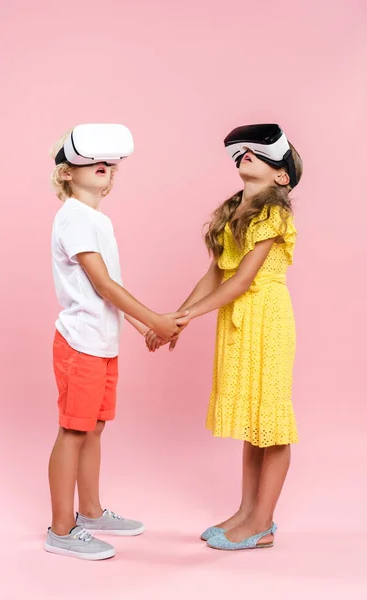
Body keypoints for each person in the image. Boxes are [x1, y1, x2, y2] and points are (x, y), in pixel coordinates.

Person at [146, 125, 303, 551]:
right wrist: (177, 318)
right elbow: (217, 273)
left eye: (258, 154)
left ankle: (263, 522)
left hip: (266, 317)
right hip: (239, 317)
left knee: (271, 422)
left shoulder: (275, 215)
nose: (245, 155)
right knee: (255, 423)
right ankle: (246, 512)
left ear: (281, 176)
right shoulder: (234, 213)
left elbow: (243, 280)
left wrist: (189, 316)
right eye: (241, 153)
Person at [45, 125, 188, 560]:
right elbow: (103, 284)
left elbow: (109, 289)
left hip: (103, 342)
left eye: (108, 164)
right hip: (81, 344)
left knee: (95, 428)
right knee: (74, 431)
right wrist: (158, 321)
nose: (101, 167)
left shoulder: (97, 220)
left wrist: (140, 326)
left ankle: (89, 512)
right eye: (90, 162)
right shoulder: (72, 216)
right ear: (67, 173)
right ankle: (61, 529)